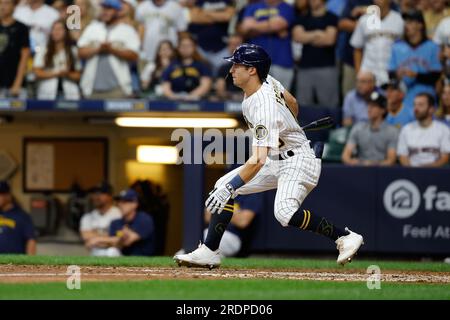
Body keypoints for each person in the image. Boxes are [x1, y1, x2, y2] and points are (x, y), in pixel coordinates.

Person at [174, 44, 364, 268]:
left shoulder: (263, 108)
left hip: (298, 160)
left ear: (252, 70)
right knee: (222, 185)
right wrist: (288, 124)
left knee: (283, 212)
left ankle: (344, 237)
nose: (231, 70)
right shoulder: (268, 81)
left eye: (237, 65)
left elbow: (258, 160)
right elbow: (292, 101)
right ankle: (209, 251)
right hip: (279, 156)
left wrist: (233, 185)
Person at [77, 0, 140, 99]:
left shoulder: (127, 30)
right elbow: (80, 52)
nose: (105, 12)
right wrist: (98, 49)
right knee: (91, 115)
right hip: (91, 88)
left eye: (109, 9)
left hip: (118, 88)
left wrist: (112, 50)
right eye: (104, 8)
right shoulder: (92, 28)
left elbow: (134, 55)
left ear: (117, 11)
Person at [388, 10, 442, 111]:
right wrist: (397, 75)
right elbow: (390, 73)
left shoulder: (432, 47)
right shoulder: (397, 47)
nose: (406, 25)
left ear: (420, 25)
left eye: (410, 22)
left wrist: (416, 75)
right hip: (404, 100)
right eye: (406, 22)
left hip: (426, 99)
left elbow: (436, 76)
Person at [292, 0, 339, 108]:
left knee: (329, 105)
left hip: (327, 67)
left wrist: (307, 36)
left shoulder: (331, 17)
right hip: (305, 68)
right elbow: (297, 37)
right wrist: (318, 34)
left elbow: (329, 39)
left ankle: (331, 126)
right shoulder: (302, 18)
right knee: (303, 105)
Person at [239, 0, 295, 89]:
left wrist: (253, 26)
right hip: (256, 63)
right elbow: (244, 28)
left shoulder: (286, 7)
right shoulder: (253, 7)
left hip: (281, 62)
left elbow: (278, 25)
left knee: (279, 100)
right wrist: (271, 26)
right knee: (256, 99)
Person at [85, 188, 156, 256]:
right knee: (109, 251)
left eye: (125, 202)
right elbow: (113, 243)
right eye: (119, 201)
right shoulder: (116, 222)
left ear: (135, 204)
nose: (120, 204)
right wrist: (118, 238)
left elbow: (128, 241)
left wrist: (99, 239)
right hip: (122, 258)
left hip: (143, 261)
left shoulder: (144, 219)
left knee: (111, 251)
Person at [350, 0, 404, 86]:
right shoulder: (364, 20)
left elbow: (404, 49)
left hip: (391, 73)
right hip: (369, 73)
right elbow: (357, 48)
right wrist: (359, 73)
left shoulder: (399, 20)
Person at [342, 91, 399, 166]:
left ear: (383, 110)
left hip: (383, 172)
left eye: (374, 106)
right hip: (360, 169)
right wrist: (354, 162)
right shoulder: (358, 128)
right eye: (369, 105)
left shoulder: (392, 132)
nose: (369, 108)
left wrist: (371, 164)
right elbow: (345, 156)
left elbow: (391, 160)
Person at [397, 92, 450, 167]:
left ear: (431, 109)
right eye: (415, 105)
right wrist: (413, 172)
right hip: (411, 173)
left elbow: (445, 157)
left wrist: (426, 170)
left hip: (437, 173)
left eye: (420, 105)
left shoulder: (443, 129)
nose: (416, 108)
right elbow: (402, 156)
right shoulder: (406, 129)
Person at [33, 19, 81, 100]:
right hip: (47, 92)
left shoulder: (73, 51)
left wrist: (67, 74)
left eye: (59, 29)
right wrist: (57, 73)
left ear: (66, 32)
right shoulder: (44, 49)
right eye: (54, 29)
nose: (56, 32)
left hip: (69, 93)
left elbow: (78, 75)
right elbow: (37, 72)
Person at [203, 193, 261, 257]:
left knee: (207, 238)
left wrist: (224, 206)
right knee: (203, 235)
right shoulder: (222, 191)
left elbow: (242, 222)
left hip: (233, 237)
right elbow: (207, 217)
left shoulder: (251, 194)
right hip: (212, 230)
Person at [186, 0, 235, 75]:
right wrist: (218, 16)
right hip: (201, 49)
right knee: (202, 75)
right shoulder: (200, 1)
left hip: (222, 49)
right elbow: (194, 17)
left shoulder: (226, 1)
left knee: (223, 77)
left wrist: (205, 13)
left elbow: (227, 16)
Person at [161, 33, 212, 101]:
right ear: (178, 48)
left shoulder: (202, 65)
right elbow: (165, 86)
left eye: (188, 46)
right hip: (175, 100)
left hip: (197, 100)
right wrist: (174, 97)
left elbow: (205, 85)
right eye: (183, 46)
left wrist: (191, 97)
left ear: (194, 47)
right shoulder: (171, 65)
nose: (186, 48)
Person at [79, 182, 122, 257]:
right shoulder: (87, 217)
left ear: (110, 196)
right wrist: (109, 237)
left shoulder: (119, 214)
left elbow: (120, 239)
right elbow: (86, 237)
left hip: (114, 251)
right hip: (95, 252)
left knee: (112, 252)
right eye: (94, 193)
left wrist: (96, 238)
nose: (96, 197)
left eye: (101, 193)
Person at [0, 0, 30, 98]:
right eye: (0, 3)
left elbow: (25, 56)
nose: (3, 6)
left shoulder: (21, 28)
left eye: (7, 3)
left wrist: (18, 82)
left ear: (14, 6)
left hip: (14, 81)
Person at [0, 181, 36, 255]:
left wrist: (30, 262)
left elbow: (31, 241)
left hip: (14, 263)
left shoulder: (22, 216)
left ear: (8, 195)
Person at [214, 34, 244, 101]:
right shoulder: (223, 68)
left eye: (237, 44)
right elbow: (220, 90)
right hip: (229, 99)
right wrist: (231, 96)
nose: (234, 48)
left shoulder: (253, 66)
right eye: (231, 44)